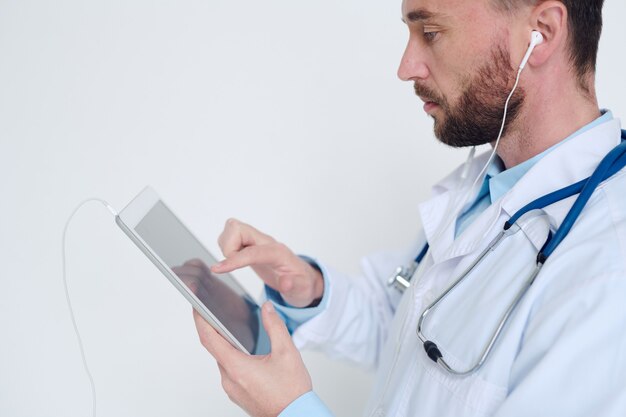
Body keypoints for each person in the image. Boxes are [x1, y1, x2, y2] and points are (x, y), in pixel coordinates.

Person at [192, 0, 626, 416]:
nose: (405, 68)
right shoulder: (485, 187)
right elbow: (418, 342)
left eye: (431, 32)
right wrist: (310, 290)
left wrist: (289, 410)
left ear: (542, 33)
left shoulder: (606, 275)